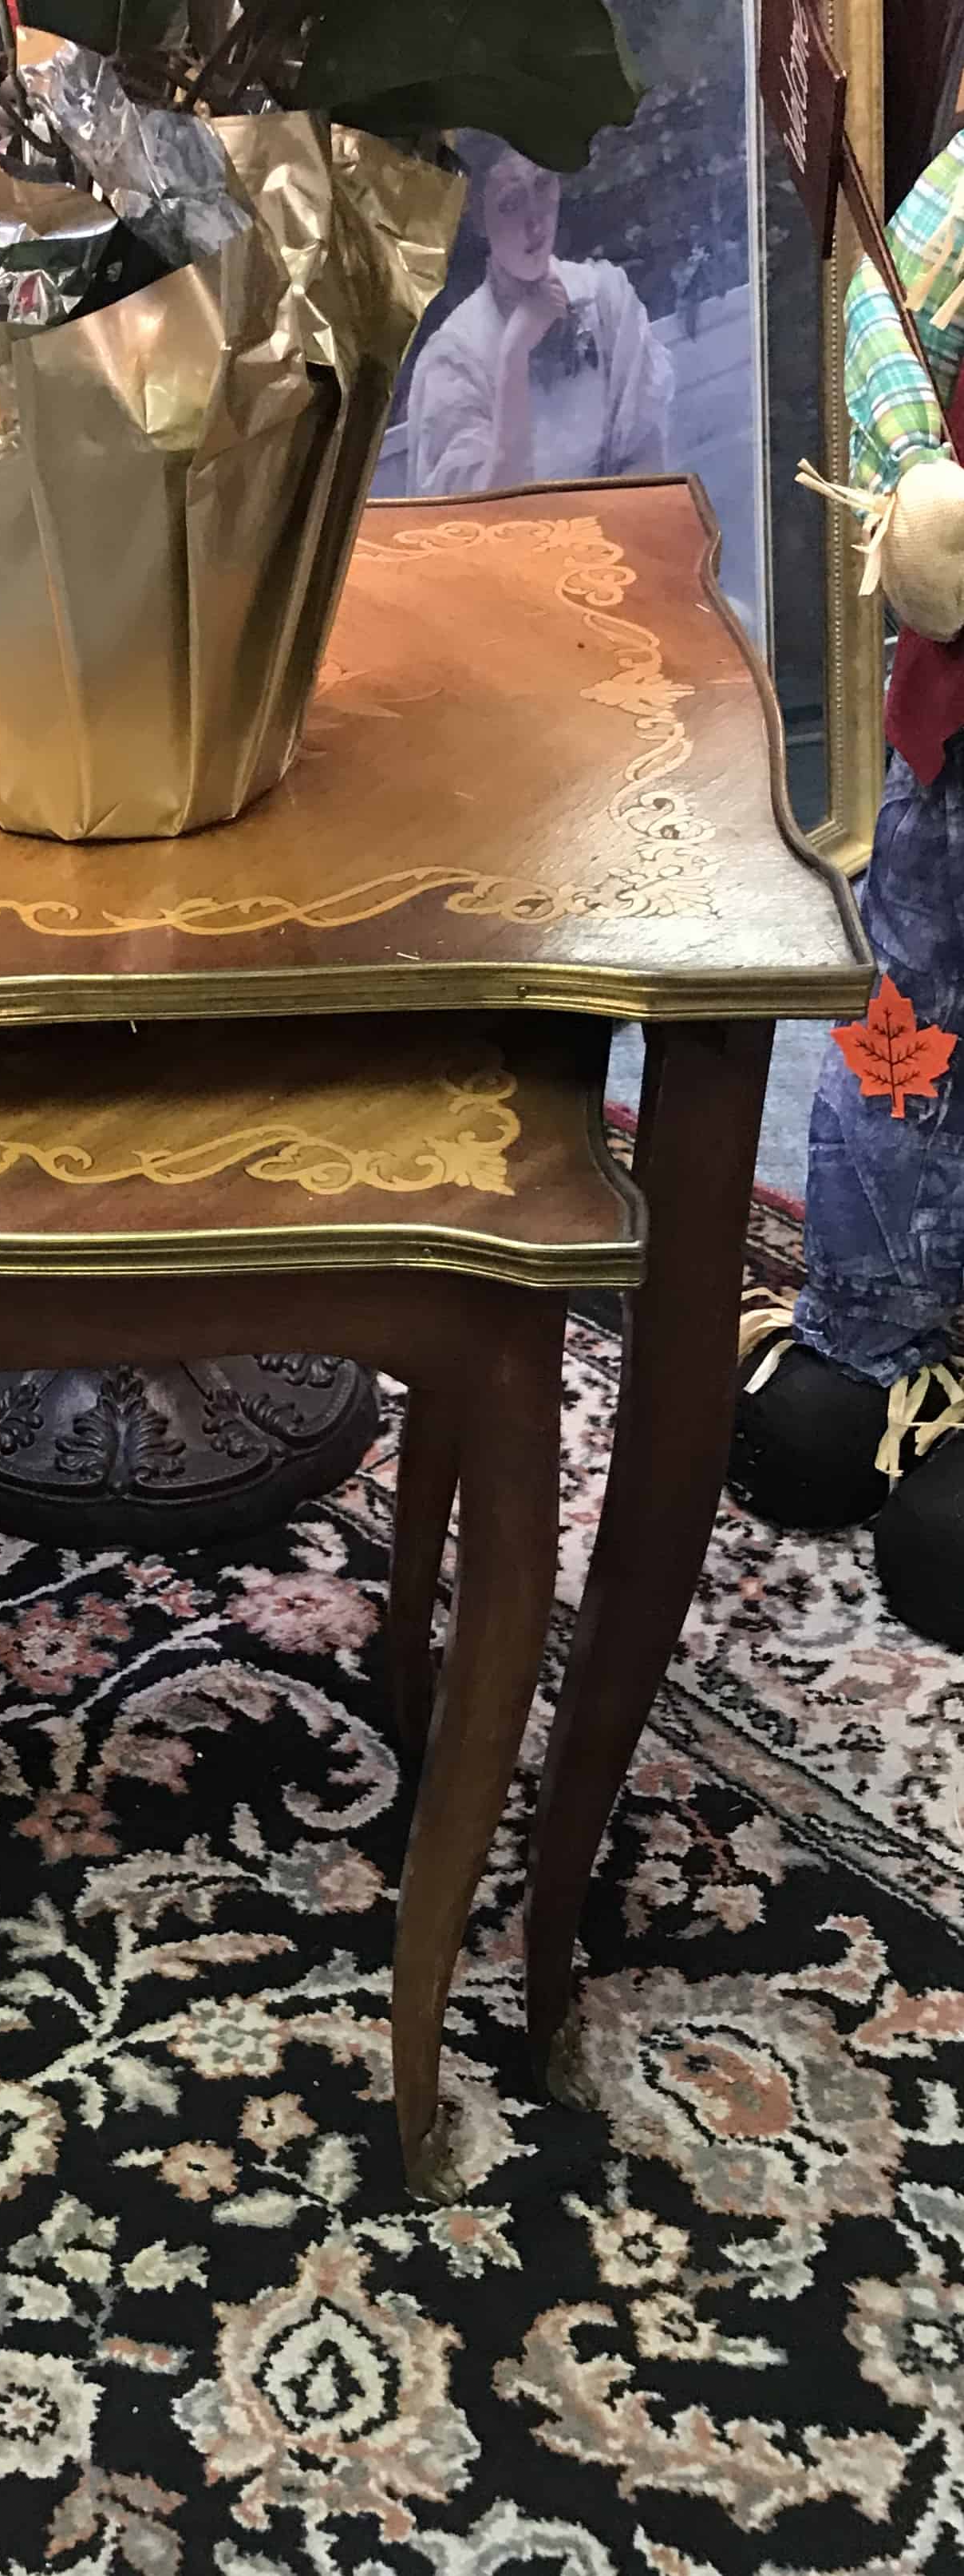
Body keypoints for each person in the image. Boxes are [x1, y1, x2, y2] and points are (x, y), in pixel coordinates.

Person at [727, 135, 964, 1648]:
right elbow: (886, 294)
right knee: (906, 1031)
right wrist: (914, 479)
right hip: (950, 743)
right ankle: (872, 1326)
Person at [407, 141, 674, 494]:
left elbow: (645, 457)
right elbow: (479, 519)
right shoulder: (454, 357)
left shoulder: (605, 298)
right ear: (479, 220)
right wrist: (513, 355)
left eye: (544, 185)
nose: (535, 221)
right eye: (510, 204)